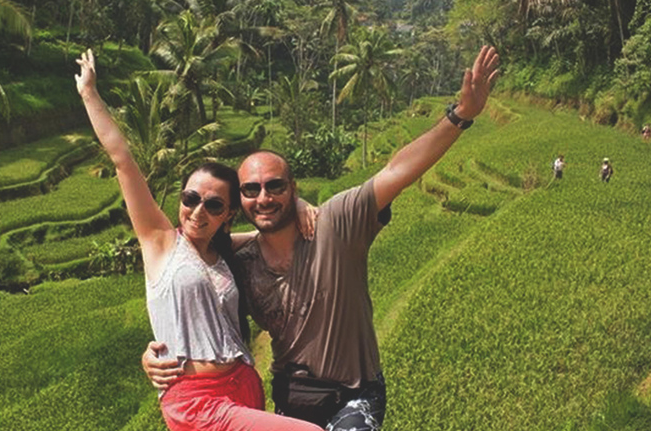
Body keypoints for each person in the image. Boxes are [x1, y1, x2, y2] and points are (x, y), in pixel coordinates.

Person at [143, 45, 500, 430]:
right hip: (289, 395)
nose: (264, 198)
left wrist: (460, 115)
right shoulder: (239, 265)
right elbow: (191, 299)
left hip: (355, 393)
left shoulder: (337, 224)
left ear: (293, 188)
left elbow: (398, 170)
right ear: (237, 205)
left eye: (275, 186)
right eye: (251, 190)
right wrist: (155, 355)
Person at [75, 50, 322, 431]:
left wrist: (299, 202)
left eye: (213, 204)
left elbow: (267, 227)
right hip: (197, 400)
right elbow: (123, 160)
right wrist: (90, 93)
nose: (197, 211)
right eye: (190, 199)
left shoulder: (226, 253)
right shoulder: (160, 244)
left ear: (227, 215)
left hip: (242, 385)